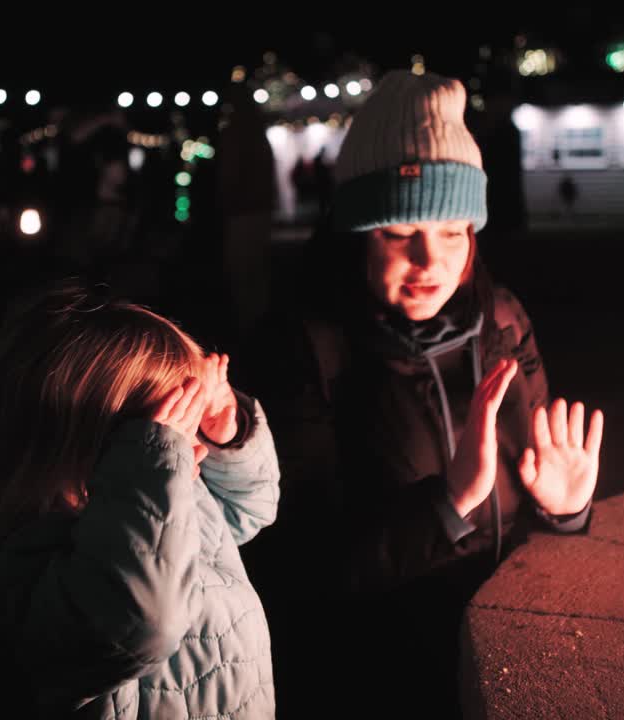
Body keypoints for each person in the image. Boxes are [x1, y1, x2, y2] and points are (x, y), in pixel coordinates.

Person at [244, 71, 605, 718]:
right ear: (353, 234)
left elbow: (547, 517)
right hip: (383, 680)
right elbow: (299, 572)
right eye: (397, 232)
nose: (430, 260)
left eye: (453, 232)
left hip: (509, 655)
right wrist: (448, 505)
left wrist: (568, 511)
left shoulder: (503, 323)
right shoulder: (306, 352)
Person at [0, 281, 281, 718]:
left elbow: (251, 509)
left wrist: (228, 430)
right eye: (176, 429)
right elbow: (140, 624)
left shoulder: (174, 492)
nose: (193, 448)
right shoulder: (32, 555)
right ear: (97, 442)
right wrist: (155, 466)